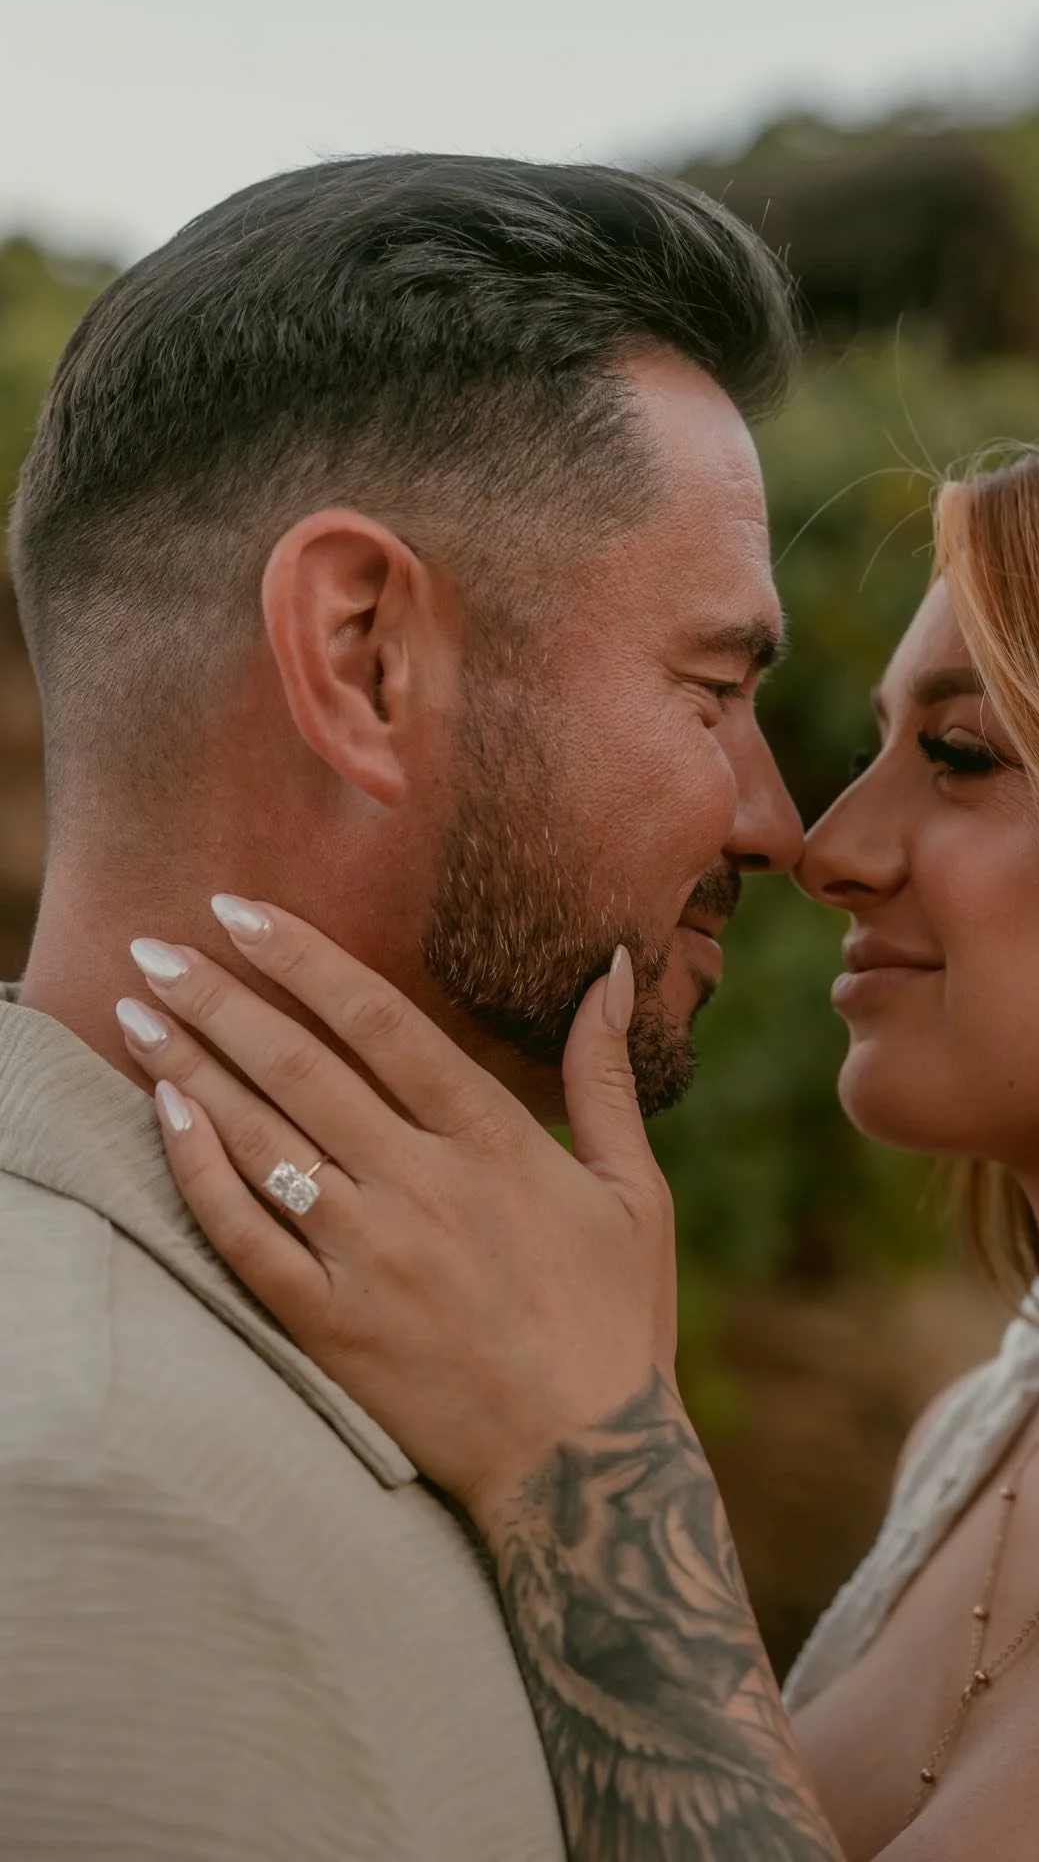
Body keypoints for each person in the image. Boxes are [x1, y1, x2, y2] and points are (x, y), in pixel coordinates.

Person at [127, 415, 1039, 1862]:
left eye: (959, 756)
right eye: (875, 746)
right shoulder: (981, 1442)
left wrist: (591, 1460)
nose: (831, 848)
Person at [0, 152, 806, 1858]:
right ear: (363, 654)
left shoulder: (416, 1360)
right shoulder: (99, 1515)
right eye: (716, 689)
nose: (778, 821)